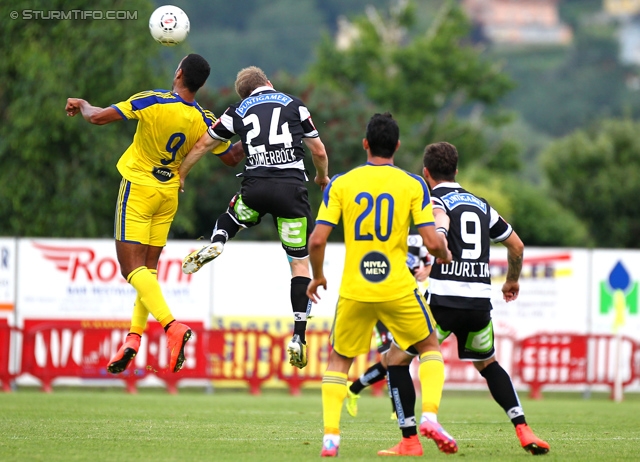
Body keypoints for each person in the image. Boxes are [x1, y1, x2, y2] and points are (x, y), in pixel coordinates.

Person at [65, 54, 244, 374]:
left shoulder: (153, 100)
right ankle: (133, 337)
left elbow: (98, 118)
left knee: (130, 268)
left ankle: (171, 326)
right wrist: (257, 134)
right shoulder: (205, 119)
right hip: (169, 194)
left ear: (179, 73)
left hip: (139, 188)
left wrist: (84, 104)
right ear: (200, 84)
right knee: (148, 271)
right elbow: (230, 158)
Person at [307, 113, 457, 457]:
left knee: (339, 361)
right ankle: (430, 416)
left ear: (365, 144)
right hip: (397, 288)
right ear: (398, 147)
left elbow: (316, 241)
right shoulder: (413, 185)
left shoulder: (341, 184)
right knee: (429, 346)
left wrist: (317, 276)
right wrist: (444, 254)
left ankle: (331, 436)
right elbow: (433, 243)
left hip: (356, 288)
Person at [178, 66, 329, 369]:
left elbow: (204, 145)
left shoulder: (238, 110)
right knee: (298, 264)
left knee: (232, 216)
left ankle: (219, 241)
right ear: (269, 83)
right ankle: (298, 334)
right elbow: (319, 151)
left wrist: (182, 174)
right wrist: (322, 178)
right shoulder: (294, 105)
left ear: (246, 92)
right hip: (292, 193)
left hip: (256, 187)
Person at [423, 141, 550, 456]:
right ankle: (523, 427)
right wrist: (511, 280)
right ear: (457, 170)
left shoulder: (434, 200)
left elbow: (439, 233)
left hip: (442, 300)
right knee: (488, 363)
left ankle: (414, 432)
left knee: (398, 356)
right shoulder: (481, 205)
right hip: (479, 304)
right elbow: (517, 246)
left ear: (426, 173)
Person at [345, 233, 432, 419]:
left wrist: (427, 270)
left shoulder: (418, 239)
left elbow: (431, 260)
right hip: (381, 302)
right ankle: (395, 410)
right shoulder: (382, 234)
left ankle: (354, 388)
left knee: (391, 360)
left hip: (405, 304)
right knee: (389, 357)